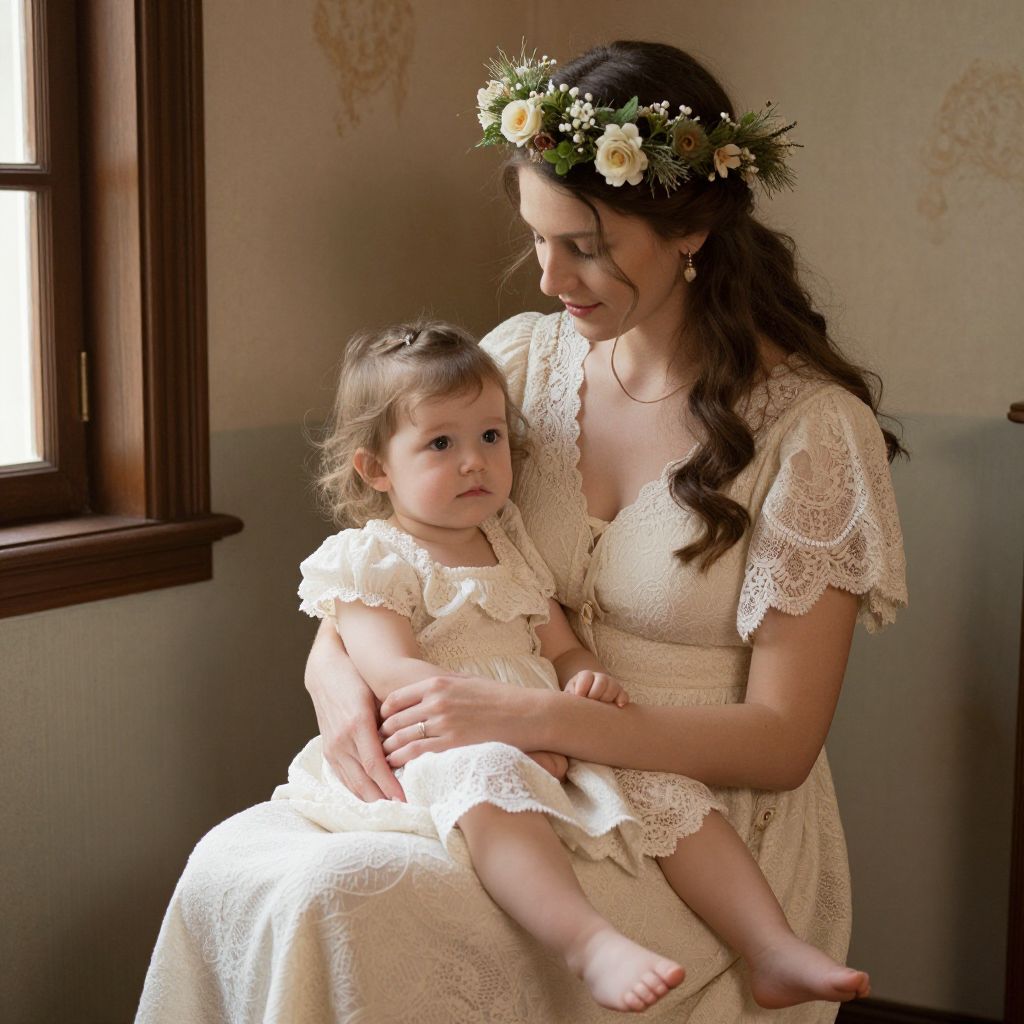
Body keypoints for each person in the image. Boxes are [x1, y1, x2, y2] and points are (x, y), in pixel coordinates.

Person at [136, 40, 906, 1023]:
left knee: (344, 900)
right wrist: (332, 672)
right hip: (504, 756)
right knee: (236, 869)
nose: (549, 277)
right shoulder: (520, 364)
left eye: (584, 245)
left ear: (693, 227)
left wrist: (533, 718)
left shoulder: (813, 430)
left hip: (700, 817)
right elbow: (398, 553)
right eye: (537, 239)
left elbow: (782, 743)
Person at [276, 318, 871, 1013]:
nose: (474, 461)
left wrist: (584, 676)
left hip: (555, 733)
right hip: (446, 744)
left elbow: (557, 644)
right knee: (491, 784)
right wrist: (510, 731)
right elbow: (394, 674)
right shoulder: (371, 557)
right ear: (376, 469)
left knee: (667, 793)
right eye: (441, 445)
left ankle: (771, 946)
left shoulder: (508, 543)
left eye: (490, 438)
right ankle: (589, 944)